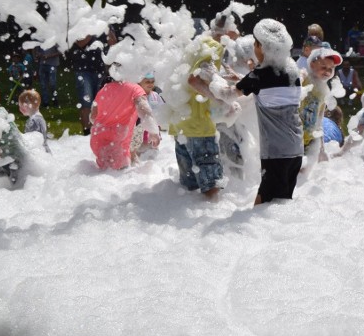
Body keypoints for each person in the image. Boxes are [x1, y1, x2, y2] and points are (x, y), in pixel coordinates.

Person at [235, 19, 304, 205]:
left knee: (264, 203)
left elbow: (230, 94)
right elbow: (270, 85)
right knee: (282, 202)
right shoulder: (292, 72)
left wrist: (212, 83)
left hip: (275, 152)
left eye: (255, 44)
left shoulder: (257, 77)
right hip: (296, 148)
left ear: (261, 47)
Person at [170, 17, 239, 199]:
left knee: (189, 189)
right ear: (228, 31)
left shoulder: (197, 43)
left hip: (182, 124)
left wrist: (225, 77)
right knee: (211, 188)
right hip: (200, 127)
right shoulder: (215, 47)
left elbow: (193, 73)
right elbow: (195, 80)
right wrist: (222, 100)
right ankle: (210, 226)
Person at [89, 77, 160, 170]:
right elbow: (144, 110)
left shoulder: (104, 89)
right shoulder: (135, 88)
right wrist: (153, 131)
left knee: (105, 175)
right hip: (119, 139)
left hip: (97, 139)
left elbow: (93, 117)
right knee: (120, 177)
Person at [70, 29, 117, 135]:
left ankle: (98, 131)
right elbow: (80, 43)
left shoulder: (106, 23)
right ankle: (87, 132)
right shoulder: (85, 22)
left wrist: (108, 29)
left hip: (101, 70)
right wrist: (93, 28)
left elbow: (113, 44)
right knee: (86, 101)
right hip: (83, 70)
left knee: (101, 102)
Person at [129, 73, 165, 158]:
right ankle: (138, 159)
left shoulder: (155, 95)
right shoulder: (137, 96)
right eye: (147, 82)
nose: (150, 84)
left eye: (152, 82)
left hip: (153, 125)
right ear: (139, 83)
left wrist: (159, 124)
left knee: (153, 144)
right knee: (139, 145)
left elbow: (162, 109)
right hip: (139, 126)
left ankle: (152, 160)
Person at [18, 89, 51, 153]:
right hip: (44, 151)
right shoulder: (38, 118)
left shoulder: (34, 120)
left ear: (27, 105)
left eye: (20, 106)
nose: (19, 109)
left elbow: (32, 142)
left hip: (40, 154)